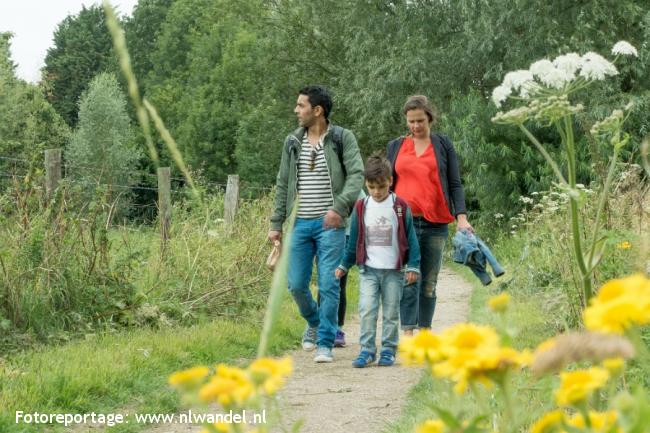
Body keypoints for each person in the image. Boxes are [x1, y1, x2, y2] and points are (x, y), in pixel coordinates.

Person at [269, 85, 364, 363]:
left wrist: (339, 208)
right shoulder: (292, 142)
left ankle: (325, 342)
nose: (296, 111)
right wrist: (276, 222)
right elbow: (282, 183)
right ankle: (314, 321)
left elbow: (357, 175)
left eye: (301, 106)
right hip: (299, 224)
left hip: (330, 225)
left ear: (317, 110)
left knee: (328, 284)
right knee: (296, 284)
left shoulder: (342, 138)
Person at [386, 95, 473, 336]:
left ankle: (425, 331)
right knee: (409, 277)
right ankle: (407, 332)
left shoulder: (442, 145)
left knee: (429, 282)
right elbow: (384, 184)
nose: (415, 126)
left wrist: (462, 217)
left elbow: (455, 184)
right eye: (411, 121)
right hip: (404, 222)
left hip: (435, 223)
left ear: (430, 119)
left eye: (420, 121)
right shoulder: (395, 147)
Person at [335, 154, 420, 367]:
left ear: (390, 181)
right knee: (367, 309)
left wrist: (414, 266)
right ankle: (367, 349)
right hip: (369, 270)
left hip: (393, 271)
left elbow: (411, 237)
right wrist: (344, 264)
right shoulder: (361, 207)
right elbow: (354, 238)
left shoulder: (400, 206)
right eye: (372, 187)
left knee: (391, 312)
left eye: (381, 187)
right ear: (366, 184)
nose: (377, 192)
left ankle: (389, 349)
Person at [317, 189, 367, 348]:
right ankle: (322, 326)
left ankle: (337, 328)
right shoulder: (323, 183)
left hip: (345, 236)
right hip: (323, 236)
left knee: (338, 283)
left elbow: (365, 208)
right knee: (325, 282)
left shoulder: (355, 188)